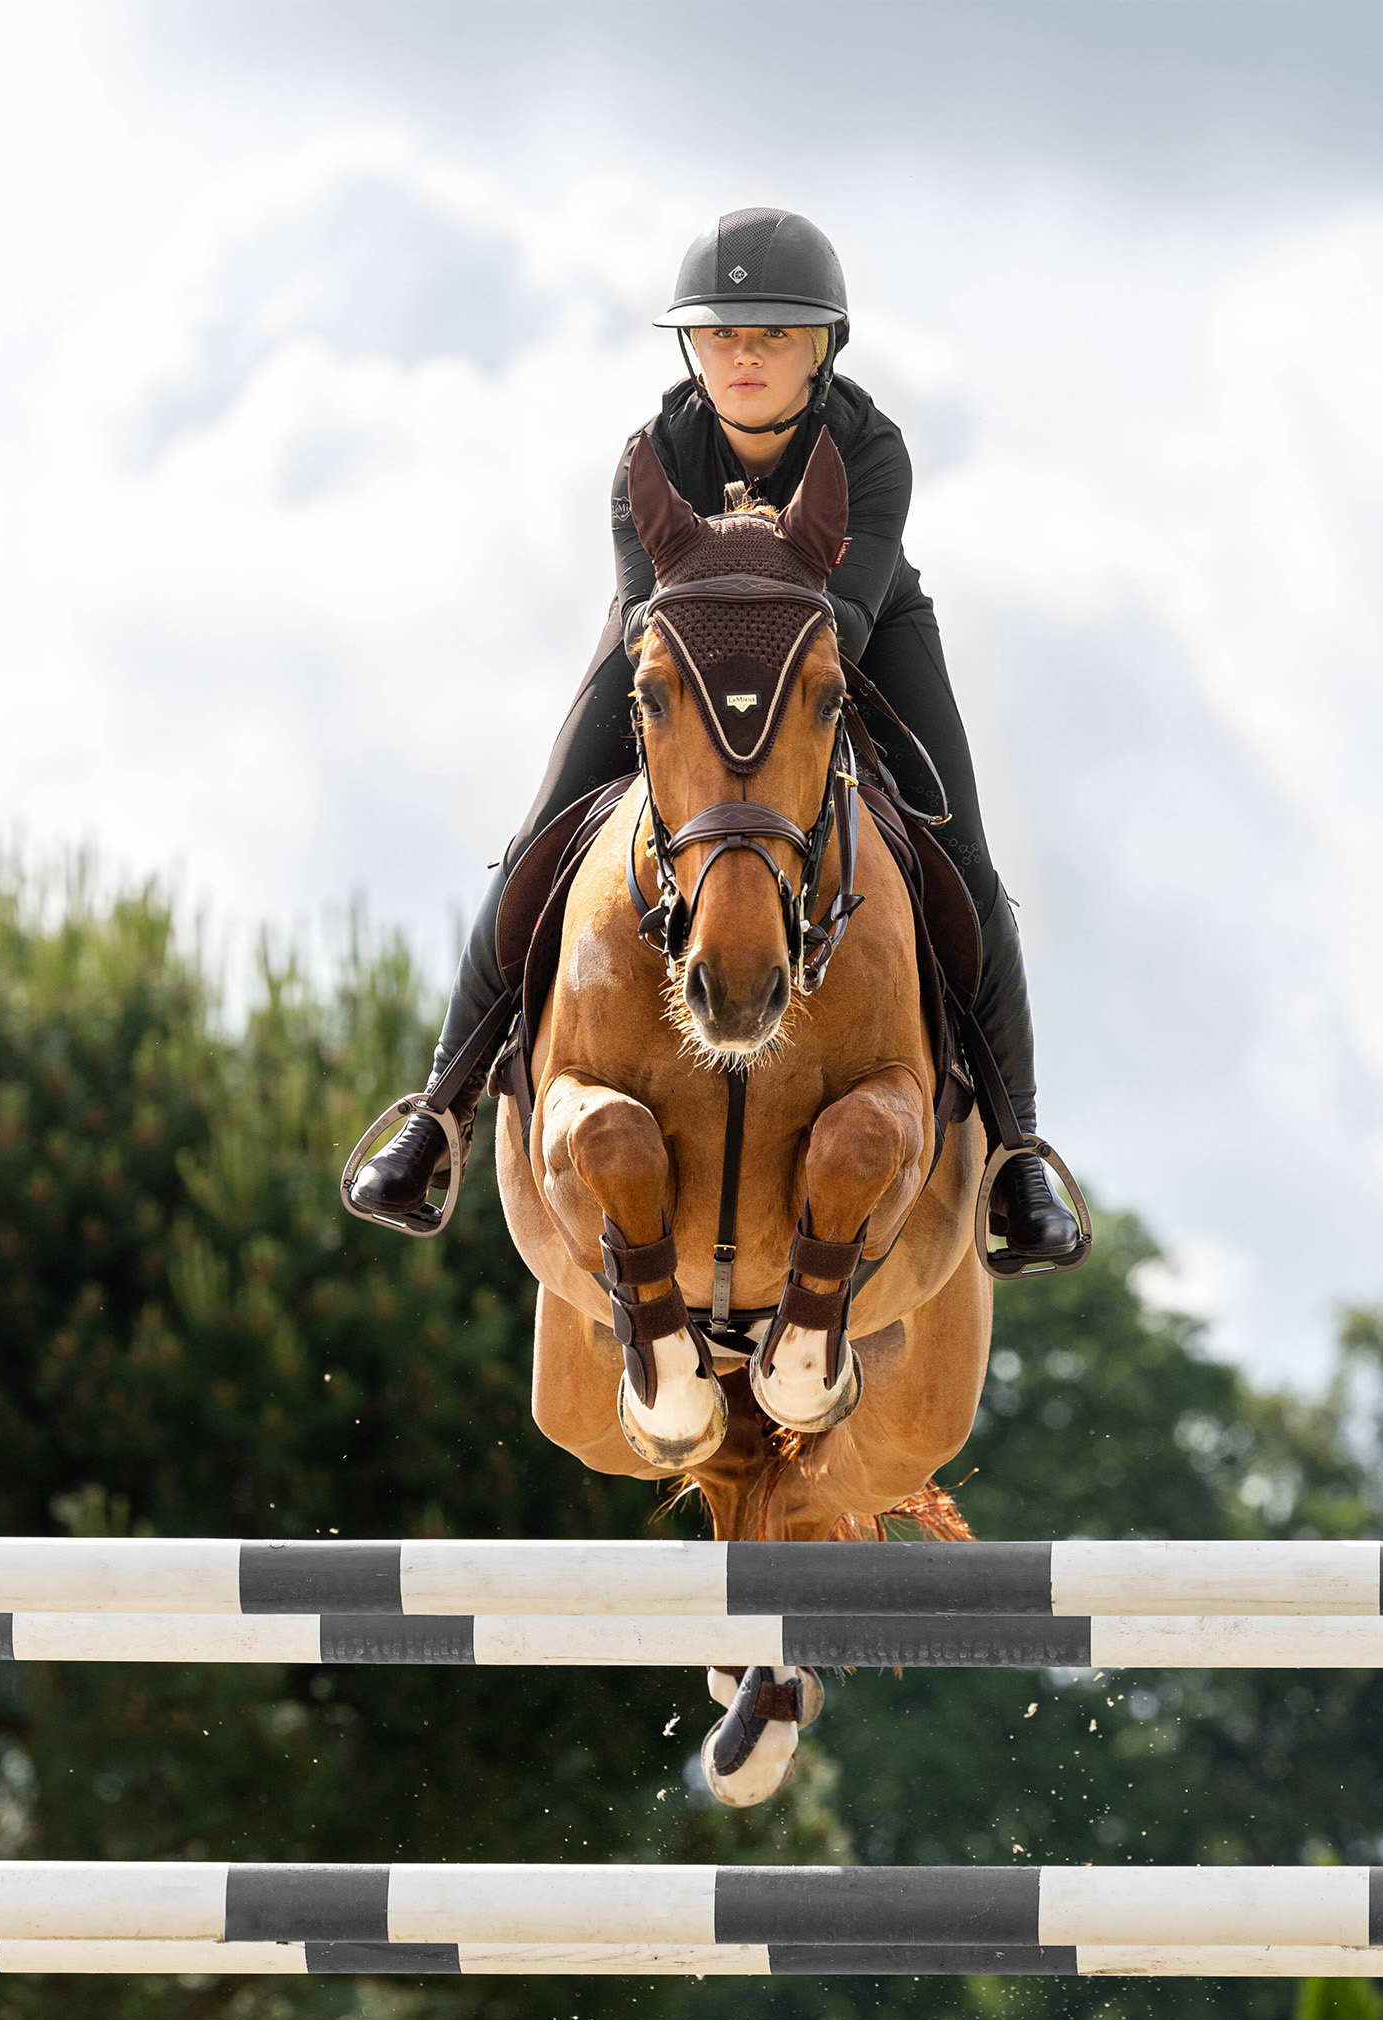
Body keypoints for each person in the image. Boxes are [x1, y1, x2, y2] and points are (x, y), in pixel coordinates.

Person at [349, 206, 1079, 1259]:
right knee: (544, 832)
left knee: (959, 852)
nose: (742, 355)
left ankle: (1016, 1156)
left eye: (773, 334)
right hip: (679, 645)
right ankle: (439, 1112)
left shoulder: (871, 453)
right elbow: (660, 618)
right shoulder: (648, 458)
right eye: (721, 333)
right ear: (689, 345)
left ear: (822, 346)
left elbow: (842, 617)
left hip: (850, 640)